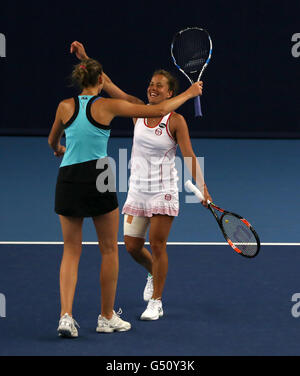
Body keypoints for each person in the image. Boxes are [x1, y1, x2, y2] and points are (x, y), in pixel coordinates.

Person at [48, 46, 203, 338]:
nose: (153, 88)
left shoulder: (64, 106)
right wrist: (191, 93)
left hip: (82, 179)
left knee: (79, 250)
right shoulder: (119, 107)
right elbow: (136, 99)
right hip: (116, 183)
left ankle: (72, 316)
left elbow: (52, 140)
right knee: (119, 247)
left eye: (160, 85)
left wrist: (203, 189)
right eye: (152, 83)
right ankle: (110, 313)